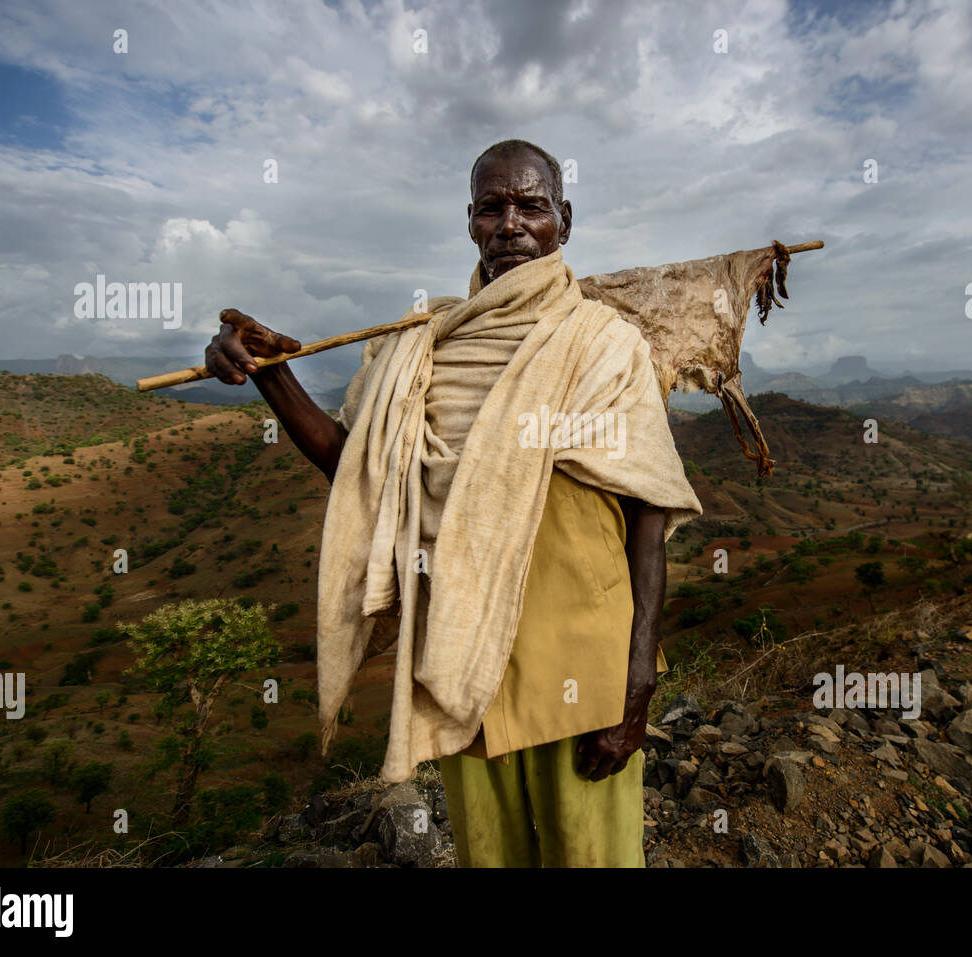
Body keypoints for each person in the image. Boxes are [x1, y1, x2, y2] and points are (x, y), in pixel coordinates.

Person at [204, 139, 700, 866]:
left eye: (531, 205)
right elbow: (357, 464)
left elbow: (649, 519)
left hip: (582, 673)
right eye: (493, 207)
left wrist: (637, 685)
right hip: (463, 668)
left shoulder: (606, 346)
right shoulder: (424, 345)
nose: (511, 223)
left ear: (564, 219)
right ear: (469, 221)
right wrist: (269, 372)